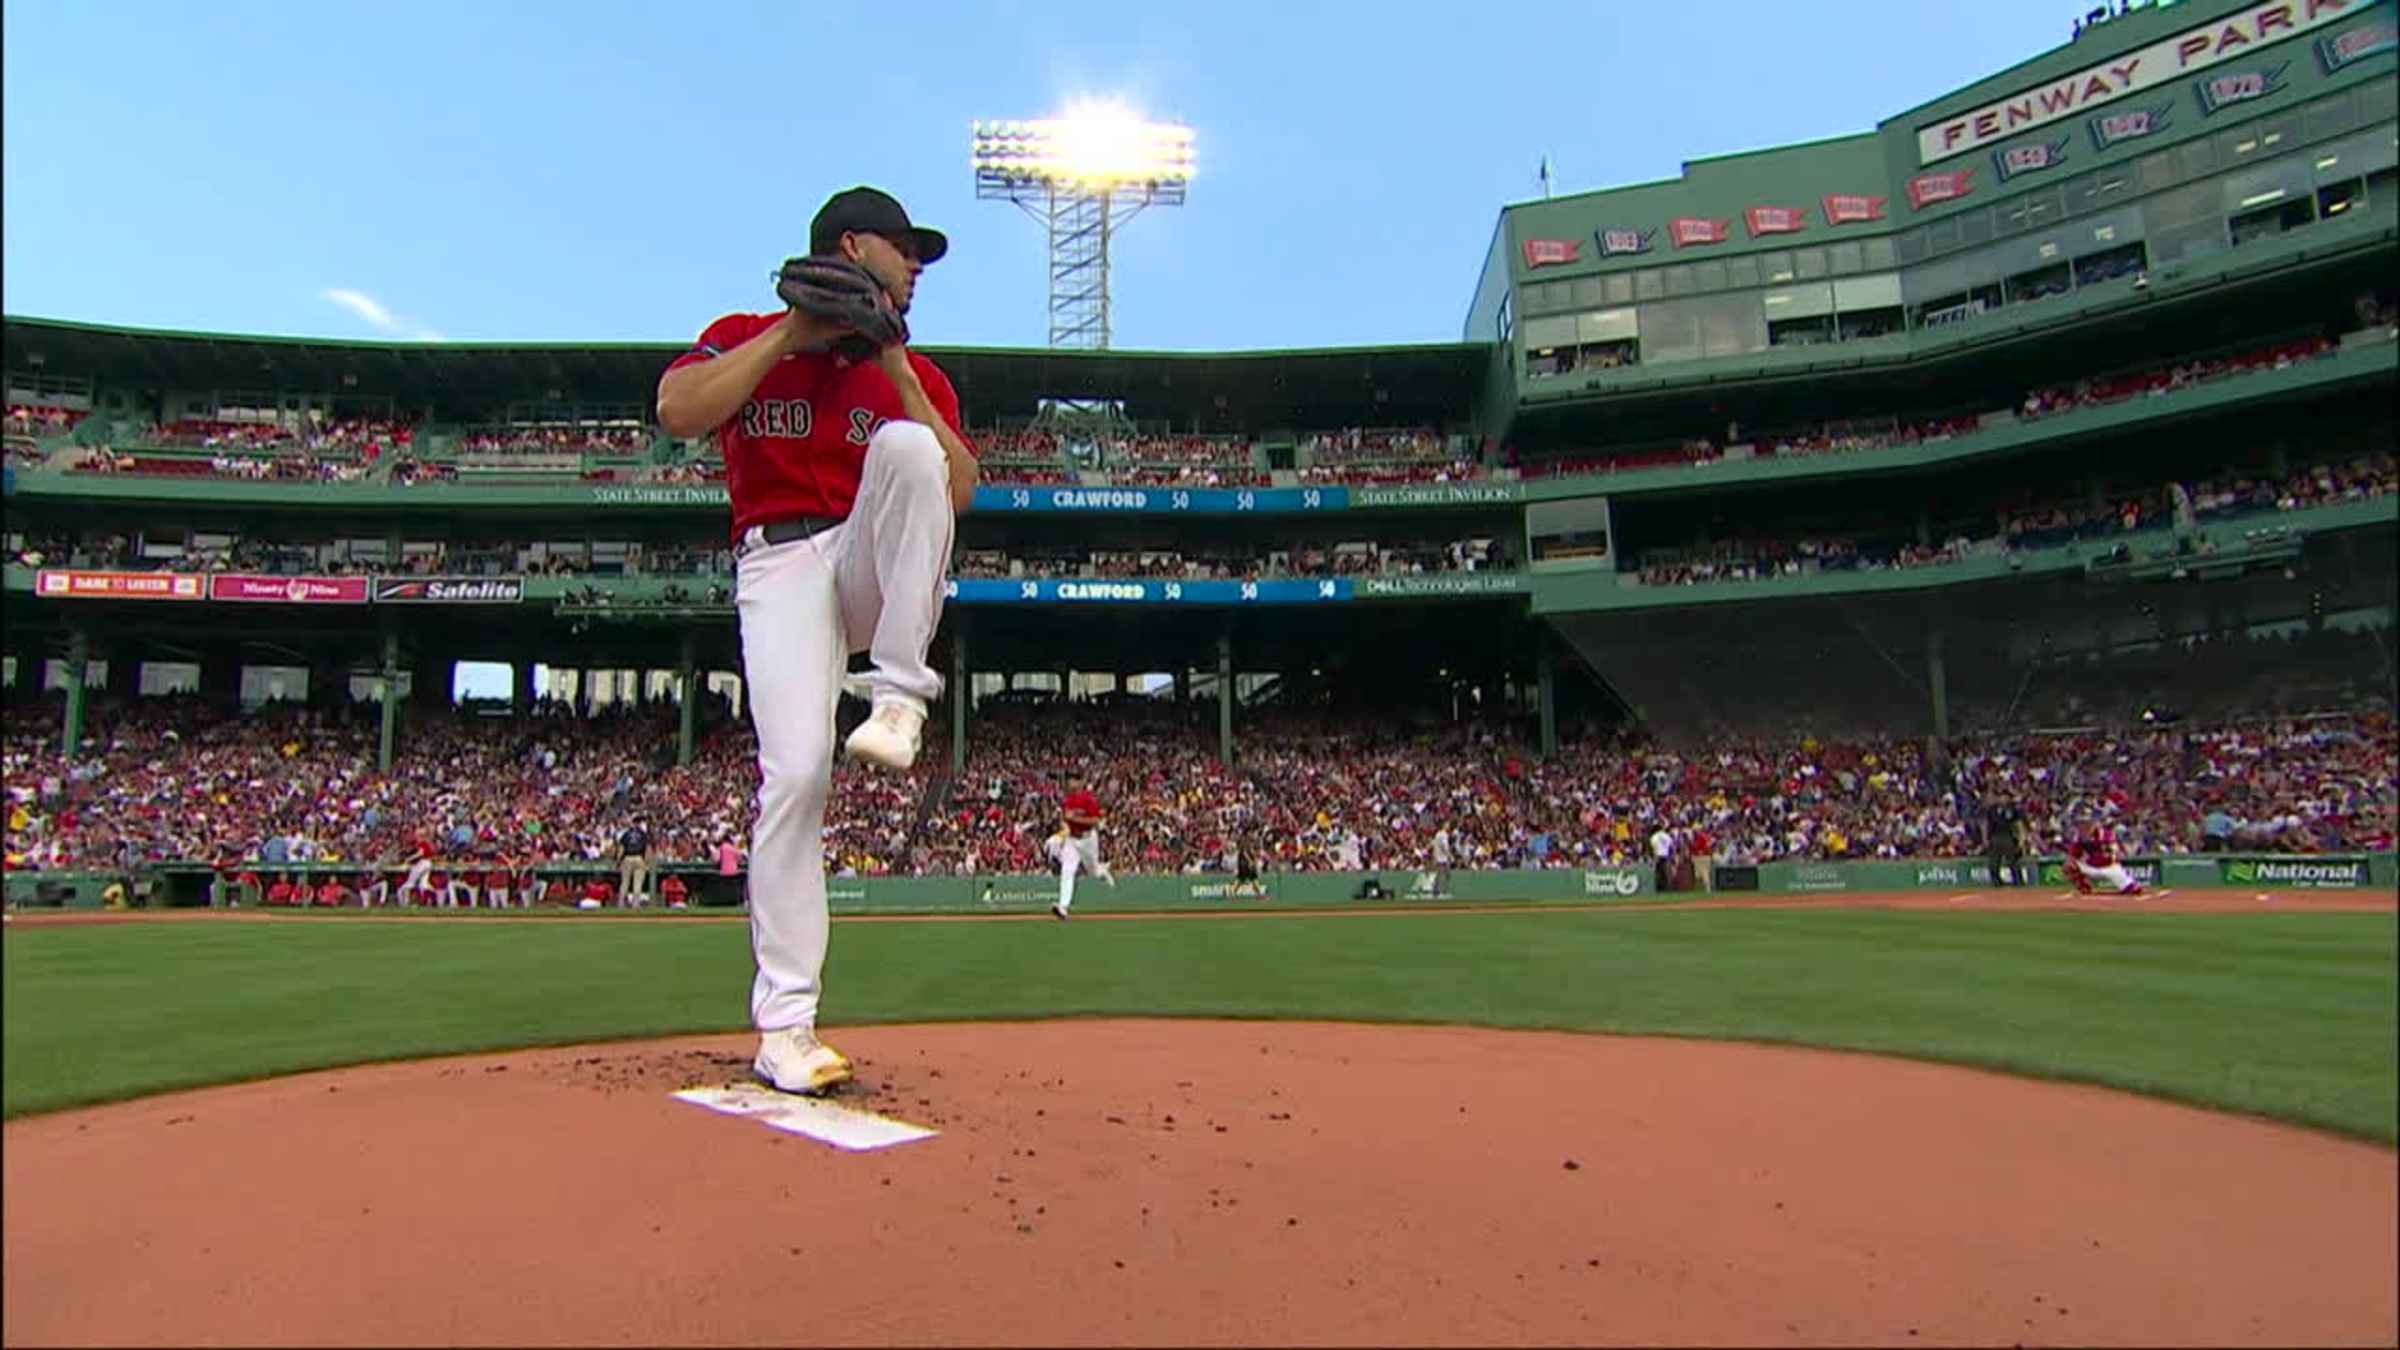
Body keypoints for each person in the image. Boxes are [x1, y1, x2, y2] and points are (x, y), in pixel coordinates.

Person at [654, 185, 978, 1097]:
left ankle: (901, 698)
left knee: (913, 452)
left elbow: (956, 492)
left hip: (869, 559)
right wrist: (791, 337)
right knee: (795, 775)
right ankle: (786, 1028)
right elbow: (679, 410)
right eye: (905, 249)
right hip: (781, 564)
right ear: (851, 246)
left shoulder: (914, 370)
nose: (916, 267)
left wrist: (900, 369)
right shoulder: (747, 328)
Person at [1046, 781, 1115, 920]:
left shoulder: (1088, 800)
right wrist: (1065, 825)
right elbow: (1066, 819)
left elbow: (1095, 821)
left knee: (1094, 872)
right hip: (1072, 840)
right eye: (1069, 780)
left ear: (1079, 784)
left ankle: (1103, 871)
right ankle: (1063, 907)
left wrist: (1076, 819)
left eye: (1073, 781)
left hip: (1088, 840)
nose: (1070, 784)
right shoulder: (1067, 800)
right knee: (1067, 870)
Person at [1983, 795, 2028, 887]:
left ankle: (2018, 881)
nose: (2004, 799)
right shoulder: (1992, 810)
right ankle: (1996, 882)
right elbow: (1985, 824)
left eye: (2006, 797)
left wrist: (2021, 838)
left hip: (2008, 836)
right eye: (2002, 797)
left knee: (2012, 861)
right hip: (1994, 836)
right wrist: (1985, 838)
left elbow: (2018, 824)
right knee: (1994, 862)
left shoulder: (2013, 810)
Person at [615, 822, 652, 909]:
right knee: (637, 883)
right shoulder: (643, 834)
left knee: (625, 883)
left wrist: (618, 861)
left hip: (627, 858)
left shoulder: (626, 834)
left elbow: (621, 848)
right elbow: (647, 849)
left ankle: (621, 904)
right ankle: (635, 904)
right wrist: (646, 862)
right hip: (639, 858)